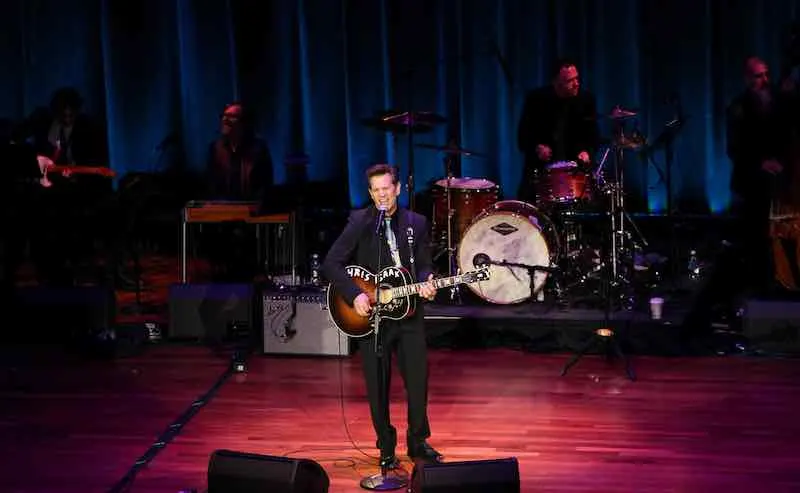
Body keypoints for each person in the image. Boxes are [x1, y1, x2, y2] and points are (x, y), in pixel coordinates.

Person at [322, 164, 443, 468]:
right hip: (373, 319)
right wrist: (355, 295)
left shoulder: (417, 222)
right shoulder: (360, 222)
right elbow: (332, 264)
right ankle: (386, 447)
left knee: (417, 381)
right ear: (370, 193)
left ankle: (417, 441)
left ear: (398, 188)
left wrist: (428, 280)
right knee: (377, 385)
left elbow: (425, 264)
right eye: (375, 190)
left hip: (410, 313)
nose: (381, 195)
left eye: (386, 188)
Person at [683, 56, 794, 339]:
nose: (764, 80)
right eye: (758, 76)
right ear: (748, 79)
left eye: (767, 74)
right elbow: (736, 149)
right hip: (752, 182)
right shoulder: (738, 107)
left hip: (780, 181)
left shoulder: (779, 102)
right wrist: (761, 163)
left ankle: (783, 281)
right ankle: (759, 286)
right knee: (755, 236)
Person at [203, 102, 274, 281]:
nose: (225, 120)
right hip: (222, 211)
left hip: (251, 214)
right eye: (223, 116)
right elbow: (210, 183)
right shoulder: (215, 148)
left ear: (244, 123)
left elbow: (265, 184)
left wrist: (255, 207)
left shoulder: (258, 148)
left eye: (231, 117)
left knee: (245, 241)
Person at [516, 58, 599, 204]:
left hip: (575, 171)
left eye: (577, 78)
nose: (576, 84)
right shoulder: (536, 99)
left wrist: (586, 151)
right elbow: (523, 137)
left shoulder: (586, 99)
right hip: (542, 172)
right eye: (570, 81)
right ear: (556, 83)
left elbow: (593, 136)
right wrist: (538, 147)